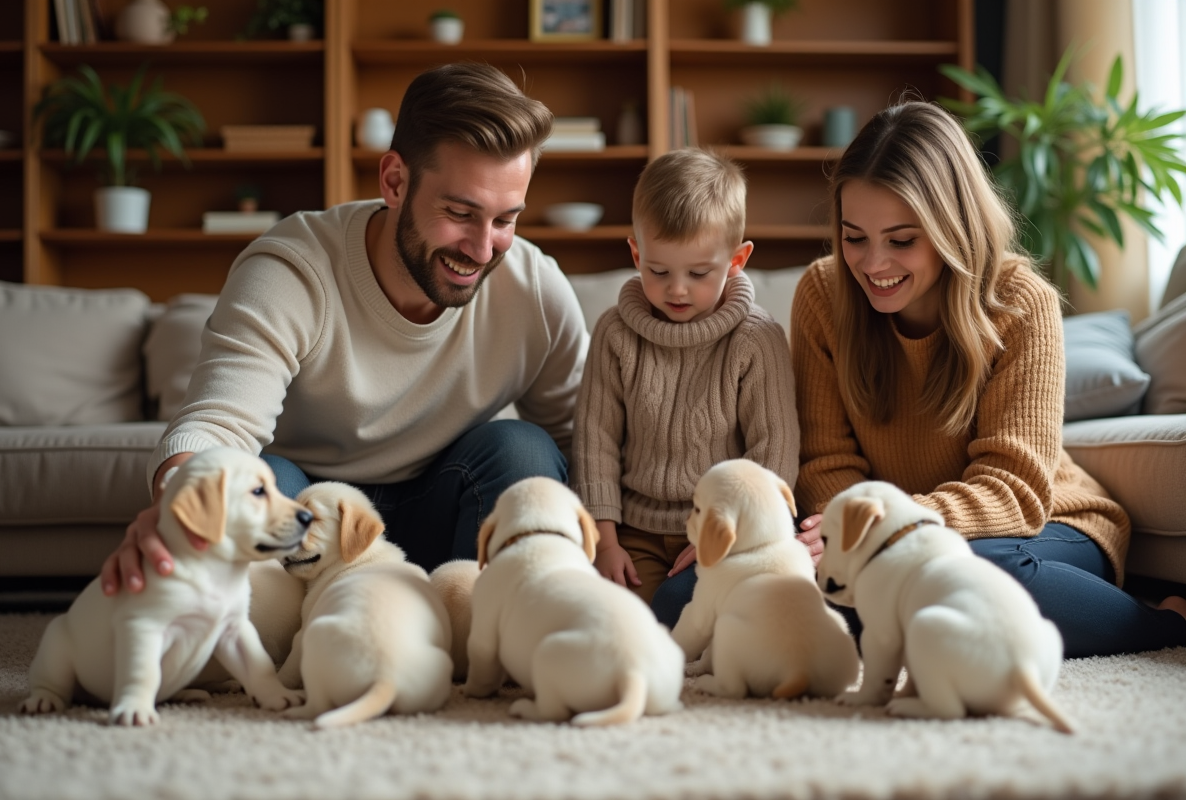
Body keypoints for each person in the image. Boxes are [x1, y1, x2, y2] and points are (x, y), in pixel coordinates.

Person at [100, 63, 589, 595]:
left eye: (505, 220)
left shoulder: (534, 289)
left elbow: (589, 439)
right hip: (310, 519)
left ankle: (483, 621)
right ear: (395, 181)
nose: (481, 248)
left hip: (447, 514)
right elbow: (218, 425)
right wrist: (180, 500)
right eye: (459, 212)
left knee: (524, 450)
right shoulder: (291, 269)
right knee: (261, 481)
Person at [791, 100, 1186, 657]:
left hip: (1039, 526)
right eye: (855, 237)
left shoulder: (1022, 303)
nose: (873, 264)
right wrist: (853, 537)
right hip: (885, 532)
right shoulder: (822, 295)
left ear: (954, 226)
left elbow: (1015, 490)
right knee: (745, 587)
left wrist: (893, 529)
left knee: (972, 570)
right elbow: (826, 462)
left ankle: (1166, 624)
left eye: (902, 240)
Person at [570, 148, 808, 628]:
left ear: (738, 260)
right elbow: (595, 440)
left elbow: (775, 453)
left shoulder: (756, 339)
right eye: (658, 271)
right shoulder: (615, 334)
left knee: (689, 616)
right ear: (636, 253)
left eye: (699, 274)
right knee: (615, 624)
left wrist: (724, 536)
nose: (677, 289)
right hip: (634, 531)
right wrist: (606, 540)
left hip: (726, 531)